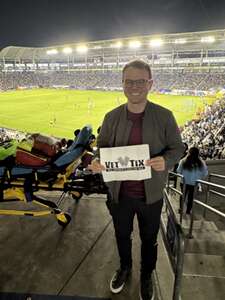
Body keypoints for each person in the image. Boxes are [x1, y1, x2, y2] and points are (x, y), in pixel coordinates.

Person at [88, 60, 184, 300]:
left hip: (150, 197)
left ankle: (147, 274)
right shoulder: (111, 117)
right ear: (122, 84)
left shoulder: (164, 116)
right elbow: (102, 148)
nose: (134, 86)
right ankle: (125, 267)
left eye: (140, 81)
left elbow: (178, 149)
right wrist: (97, 162)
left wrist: (166, 160)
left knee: (149, 239)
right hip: (120, 196)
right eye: (129, 81)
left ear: (150, 83)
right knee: (122, 235)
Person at [177, 146, 208, 214]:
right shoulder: (201, 162)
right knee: (191, 198)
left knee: (183, 195)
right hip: (195, 183)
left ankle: (181, 209)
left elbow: (178, 171)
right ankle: (188, 211)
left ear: (189, 152)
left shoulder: (183, 161)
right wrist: (198, 177)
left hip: (184, 182)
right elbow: (205, 173)